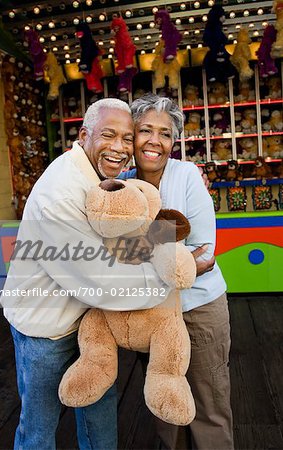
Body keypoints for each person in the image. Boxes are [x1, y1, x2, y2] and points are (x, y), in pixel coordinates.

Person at [0, 98, 179, 450]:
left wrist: (164, 241)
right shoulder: (60, 193)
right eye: (108, 135)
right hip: (45, 331)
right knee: (38, 432)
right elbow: (98, 277)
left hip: (89, 326)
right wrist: (164, 281)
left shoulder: (104, 179)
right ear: (83, 135)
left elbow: (124, 234)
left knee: (100, 424)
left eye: (128, 139)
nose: (120, 147)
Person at [120, 93, 234, 450]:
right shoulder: (118, 183)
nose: (155, 141)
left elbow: (205, 253)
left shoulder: (186, 176)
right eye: (145, 131)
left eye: (165, 134)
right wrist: (165, 251)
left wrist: (141, 252)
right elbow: (114, 252)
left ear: (174, 141)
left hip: (198, 309)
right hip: (151, 315)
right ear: (131, 136)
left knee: (208, 405)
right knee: (166, 408)